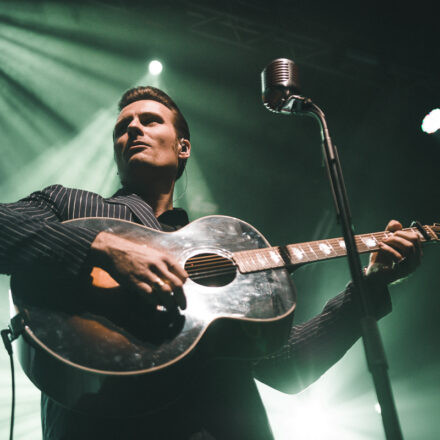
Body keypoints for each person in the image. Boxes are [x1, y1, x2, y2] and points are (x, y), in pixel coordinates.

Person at [0, 86, 422, 439]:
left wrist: (370, 288)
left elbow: (286, 366)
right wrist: (103, 245)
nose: (132, 128)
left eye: (149, 120)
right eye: (122, 128)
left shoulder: (220, 245)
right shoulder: (70, 203)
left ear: (183, 147)